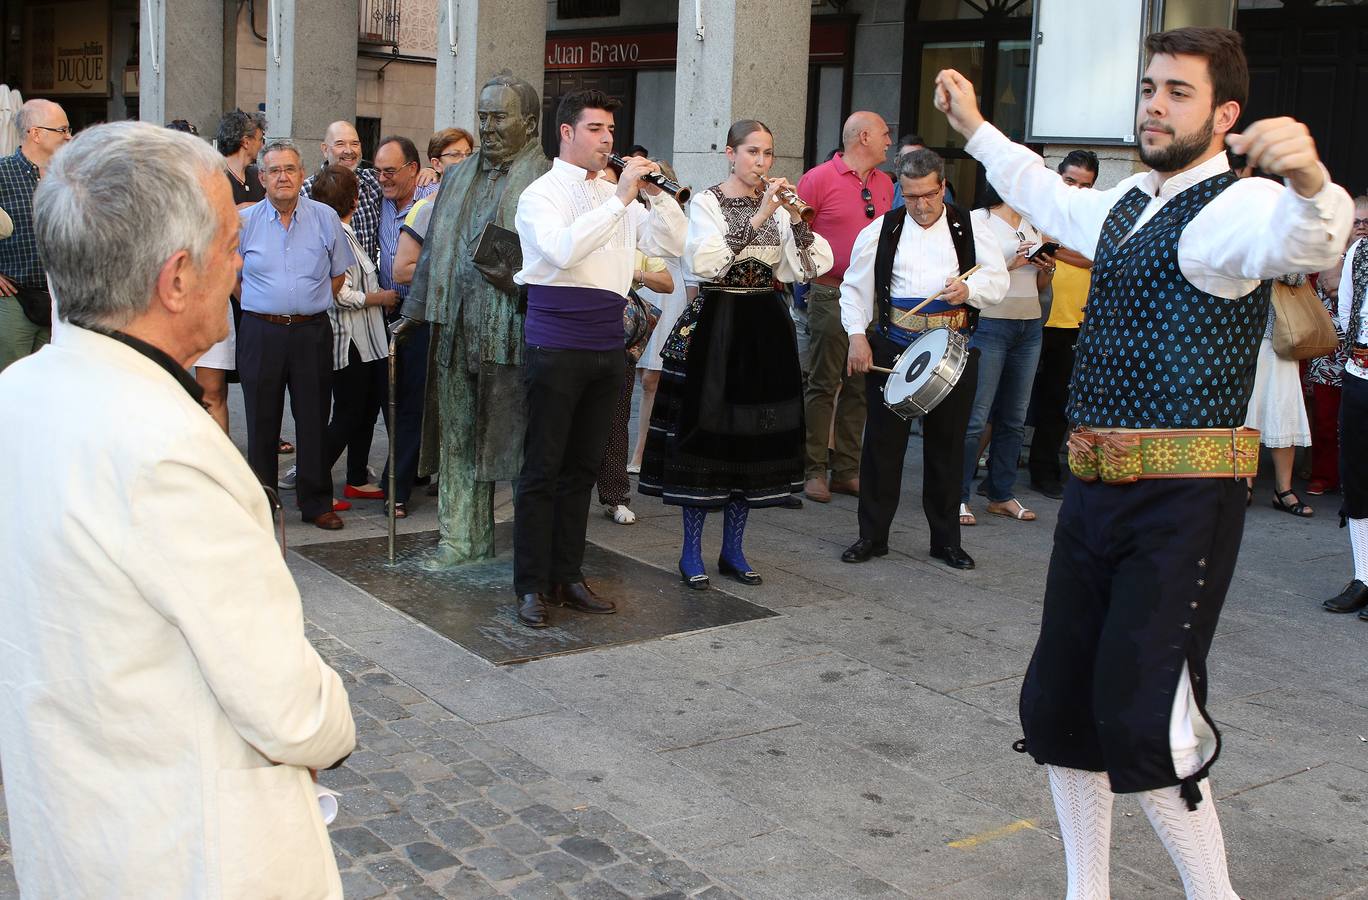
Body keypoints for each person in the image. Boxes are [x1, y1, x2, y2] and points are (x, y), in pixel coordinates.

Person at [935, 25, 1352, 897]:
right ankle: (1088, 892)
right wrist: (976, 127)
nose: (1155, 105)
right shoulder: (1126, 203)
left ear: (1226, 113)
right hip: (1093, 496)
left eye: (1179, 92)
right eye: (1150, 88)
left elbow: (1309, 240)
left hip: (1185, 502)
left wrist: (1311, 180)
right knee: (1060, 709)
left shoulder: (1236, 209)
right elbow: (1041, 193)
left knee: (1145, 716)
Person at [0, 120, 355, 897]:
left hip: (72, 826)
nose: (242, 266)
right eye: (232, 246)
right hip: (182, 849)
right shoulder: (168, 449)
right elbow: (289, 711)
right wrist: (336, 716)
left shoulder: (16, 395)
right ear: (176, 278)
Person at [511, 88, 686, 627]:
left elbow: (674, 246)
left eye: (611, 130)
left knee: (583, 469)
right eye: (595, 129)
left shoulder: (621, 196)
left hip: (608, 346)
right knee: (543, 468)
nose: (607, 140)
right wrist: (620, 198)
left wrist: (656, 197)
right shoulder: (540, 194)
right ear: (566, 132)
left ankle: (567, 575)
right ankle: (530, 585)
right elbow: (563, 250)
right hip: (556, 343)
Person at [639, 120, 833, 587]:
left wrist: (798, 226)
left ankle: (734, 550)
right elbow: (706, 263)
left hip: (764, 321)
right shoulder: (706, 202)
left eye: (767, 154)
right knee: (707, 436)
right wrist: (764, 214)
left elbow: (805, 268)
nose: (761, 163)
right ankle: (690, 553)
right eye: (752, 153)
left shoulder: (781, 207)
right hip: (718, 321)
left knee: (752, 438)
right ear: (730, 153)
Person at [397, 70, 552, 563]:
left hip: (512, 329)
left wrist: (510, 269)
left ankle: (535, 555)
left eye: (498, 117)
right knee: (458, 436)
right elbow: (434, 248)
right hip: (455, 323)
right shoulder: (459, 174)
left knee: (517, 445)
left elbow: (557, 260)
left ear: (529, 123)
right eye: (482, 117)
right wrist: (414, 312)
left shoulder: (547, 179)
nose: (487, 127)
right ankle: (460, 540)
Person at [838, 148, 1009, 571]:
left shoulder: (969, 227)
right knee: (882, 448)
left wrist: (969, 292)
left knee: (948, 449)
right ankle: (872, 537)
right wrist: (858, 338)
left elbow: (997, 279)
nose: (920, 205)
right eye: (910, 196)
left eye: (928, 195)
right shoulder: (883, 228)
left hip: (953, 346)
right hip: (895, 346)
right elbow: (854, 288)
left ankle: (946, 541)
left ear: (943, 187)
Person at [237, 140, 355, 530]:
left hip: (310, 333)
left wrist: (308, 301)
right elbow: (234, 278)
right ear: (262, 177)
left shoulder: (324, 219)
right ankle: (263, 502)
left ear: (302, 175)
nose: (283, 177)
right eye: (274, 171)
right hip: (260, 331)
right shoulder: (246, 221)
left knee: (313, 417)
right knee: (261, 420)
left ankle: (316, 501)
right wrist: (262, 304)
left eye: (290, 169)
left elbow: (338, 274)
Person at [796, 111, 895, 503]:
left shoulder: (886, 183)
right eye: (886, 134)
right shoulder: (818, 179)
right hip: (829, 292)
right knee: (823, 383)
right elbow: (796, 233)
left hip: (871, 298)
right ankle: (813, 469)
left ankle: (847, 470)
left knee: (861, 384)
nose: (890, 142)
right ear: (865, 137)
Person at [958, 184, 1055, 526]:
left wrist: (1045, 266)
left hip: (1029, 324)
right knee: (976, 414)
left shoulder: (1032, 222)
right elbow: (966, 276)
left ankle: (1001, 493)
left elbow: (1040, 286)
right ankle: (957, 495)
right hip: (991, 324)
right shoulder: (977, 221)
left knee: (1014, 417)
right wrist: (1012, 263)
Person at [310, 164, 397, 503]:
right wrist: (381, 297)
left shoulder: (338, 231)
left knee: (364, 410)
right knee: (348, 413)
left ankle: (356, 477)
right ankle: (314, 481)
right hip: (351, 342)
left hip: (367, 340)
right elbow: (342, 293)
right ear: (355, 200)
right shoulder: (337, 235)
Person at [372, 136, 438, 518]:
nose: (383, 178)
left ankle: (394, 486)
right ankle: (407, 470)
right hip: (377, 316)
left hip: (417, 317)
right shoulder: (373, 200)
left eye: (391, 170)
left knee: (410, 404)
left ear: (414, 169)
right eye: (378, 170)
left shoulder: (429, 205)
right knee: (388, 404)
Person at [1027, 150, 1100, 499]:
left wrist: (1051, 249)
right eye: (1070, 181)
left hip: (1073, 322)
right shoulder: (1039, 211)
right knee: (1010, 401)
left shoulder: (1091, 219)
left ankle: (1044, 471)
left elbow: (1094, 258)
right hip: (1030, 316)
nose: (1076, 190)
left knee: (1058, 402)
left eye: (1085, 185)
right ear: (1058, 177)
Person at [192, 109, 268, 434]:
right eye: (260, 138)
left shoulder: (255, 178)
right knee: (213, 386)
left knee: (255, 376)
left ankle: (264, 436)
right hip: (220, 294)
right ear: (246, 140)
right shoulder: (210, 178)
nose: (262, 145)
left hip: (252, 290)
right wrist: (236, 213)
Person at [630, 159, 691, 475]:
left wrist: (692, 317)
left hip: (669, 297)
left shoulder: (673, 215)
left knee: (657, 377)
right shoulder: (637, 213)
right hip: (640, 293)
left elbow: (688, 270)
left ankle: (644, 451)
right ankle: (641, 446)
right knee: (641, 377)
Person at [0, 98, 70, 372]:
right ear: (36, 133)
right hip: (14, 299)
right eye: (61, 130)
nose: (68, 136)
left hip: (60, 302)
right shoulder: (3, 172)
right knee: (9, 383)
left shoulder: (68, 176)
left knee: (49, 384)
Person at [1322, 230, 1368, 618]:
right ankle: (1363, 576)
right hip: (1360, 373)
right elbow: (1346, 310)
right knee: (1356, 476)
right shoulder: (1361, 251)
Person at [1244, 273, 1315, 516]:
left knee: (1283, 407)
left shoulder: (1279, 237)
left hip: (1280, 336)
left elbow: (1297, 276)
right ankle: (1244, 482)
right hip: (1238, 333)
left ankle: (1283, 490)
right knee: (1244, 411)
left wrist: (1269, 262)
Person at [890, 134, 955, 208]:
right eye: (906, 159)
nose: (912, 163)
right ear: (897, 161)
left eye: (918, 158)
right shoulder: (890, 191)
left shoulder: (941, 191)